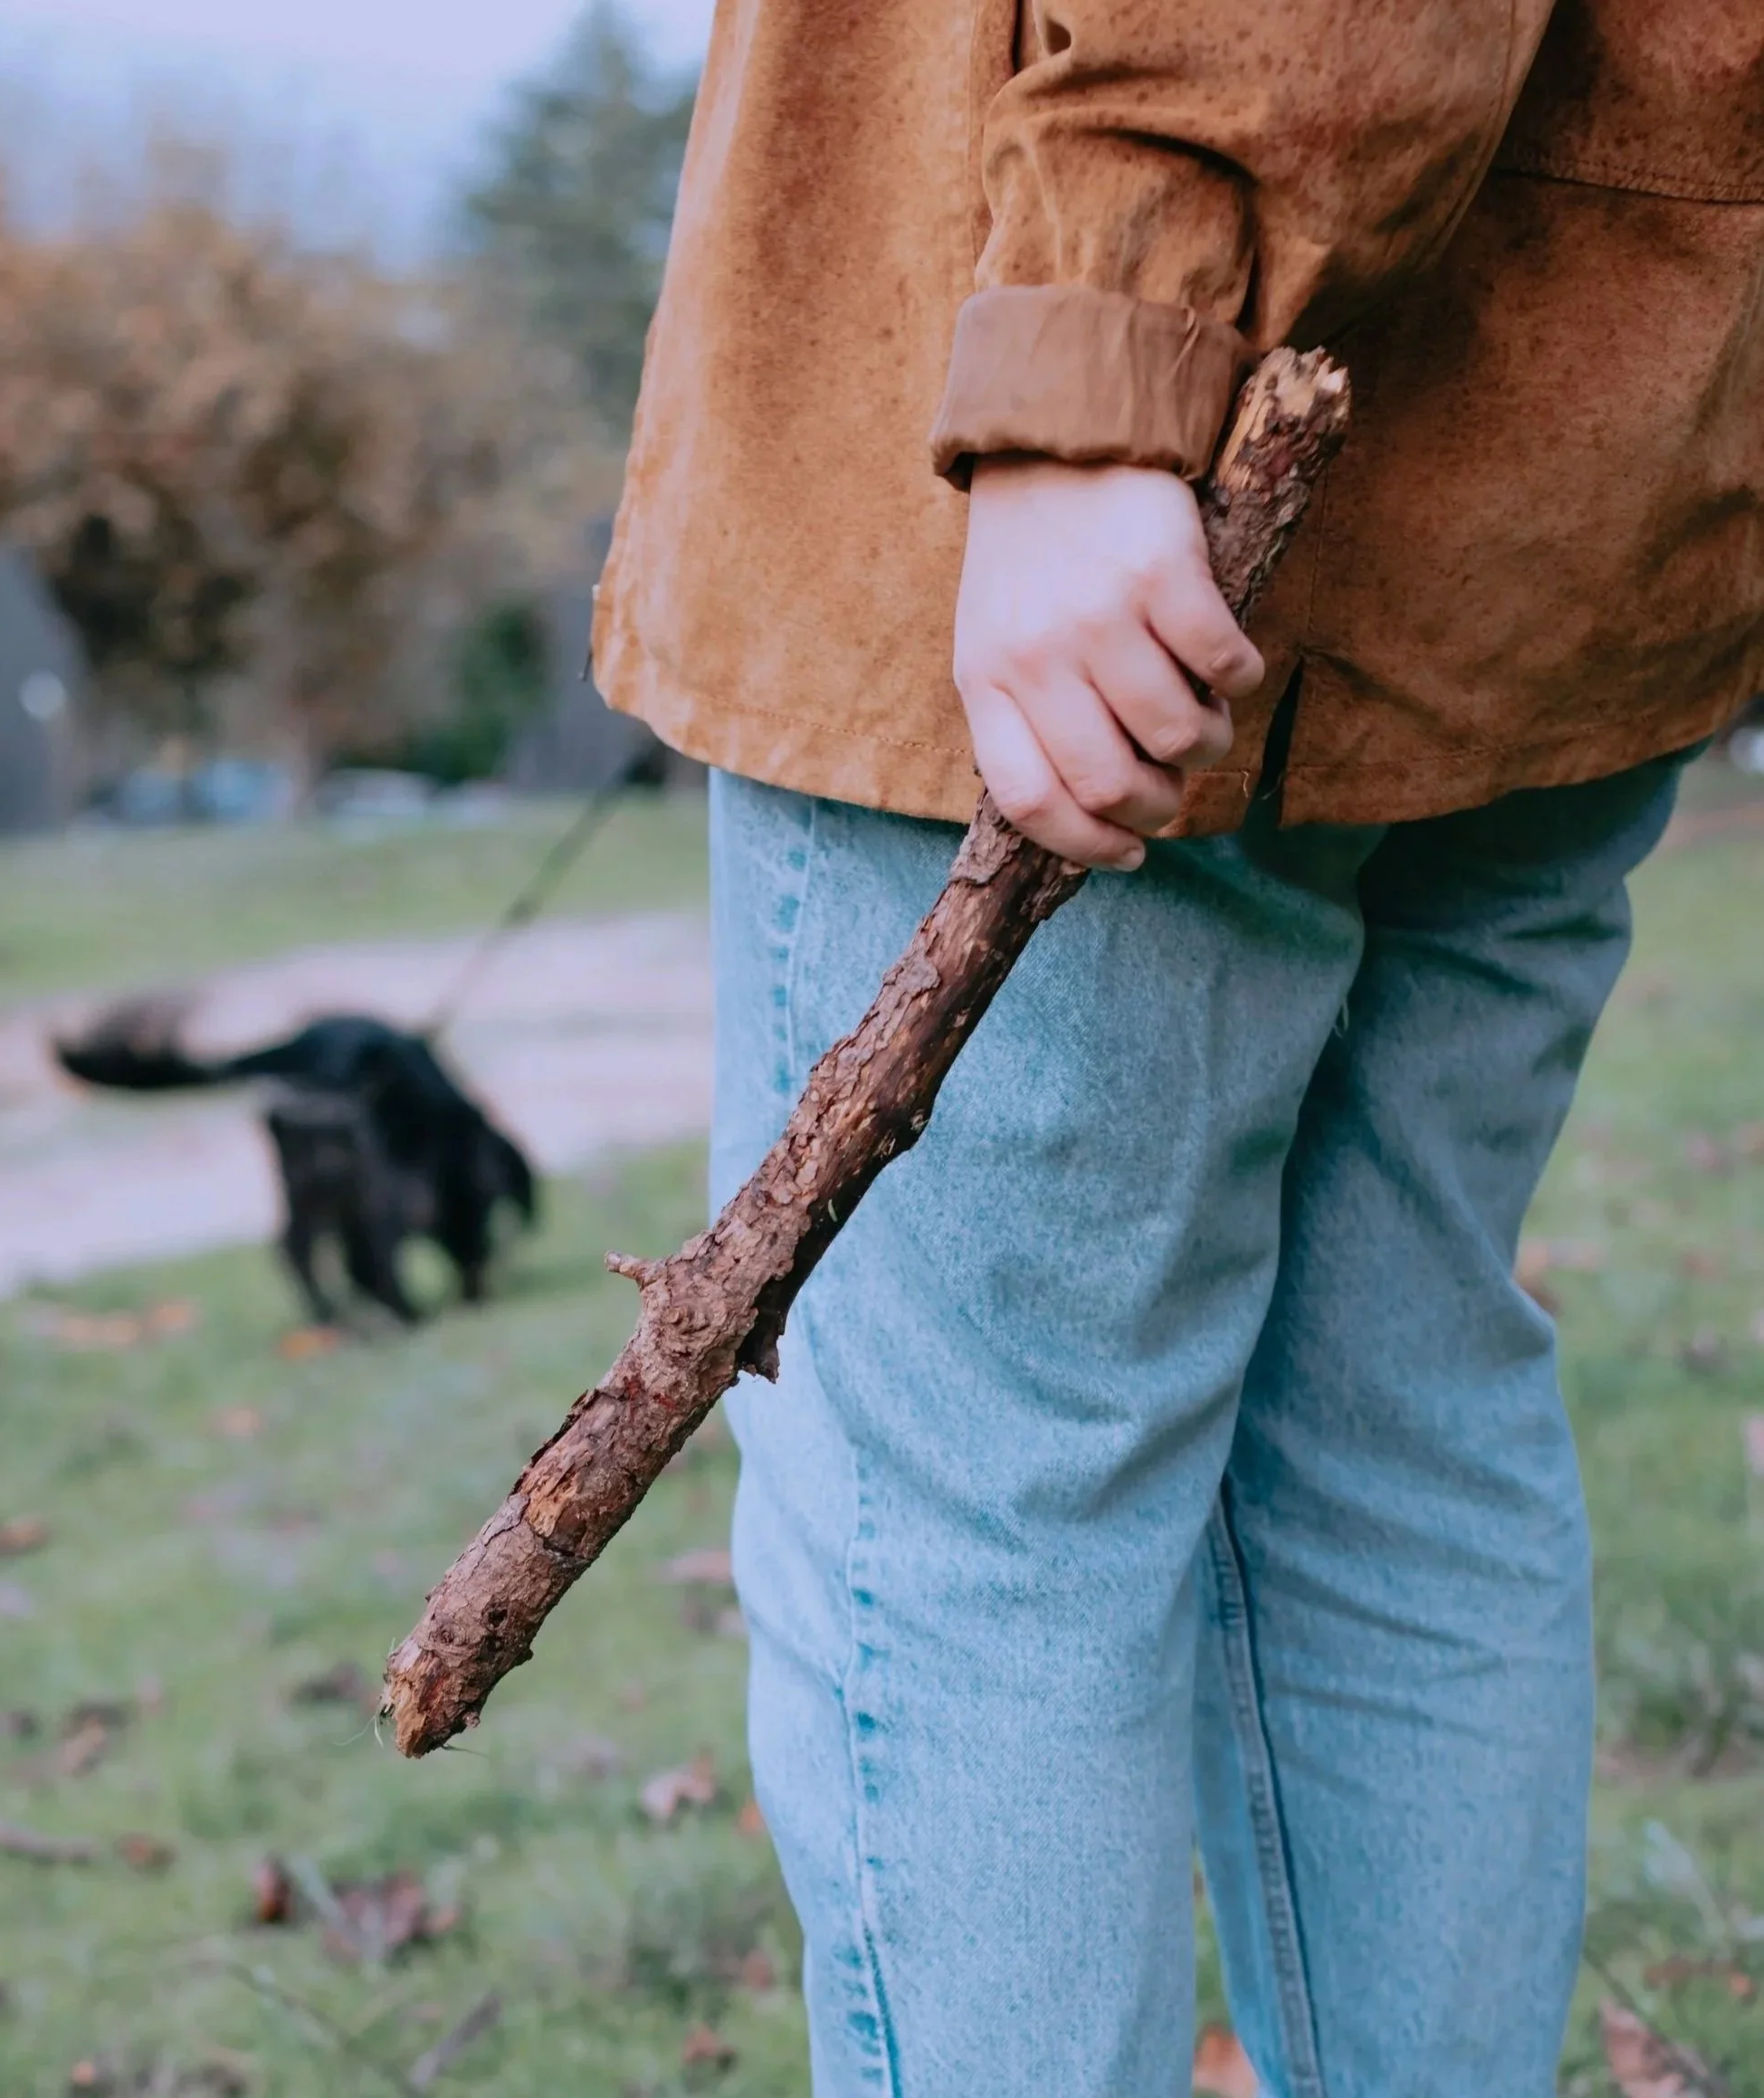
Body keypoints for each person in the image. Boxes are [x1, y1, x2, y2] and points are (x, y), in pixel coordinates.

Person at [593, 2, 1764, 2091]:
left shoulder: (1114, 349)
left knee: (974, 1512)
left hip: (1115, 462)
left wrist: (1100, 352)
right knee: (1395, 1433)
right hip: (1586, 438)